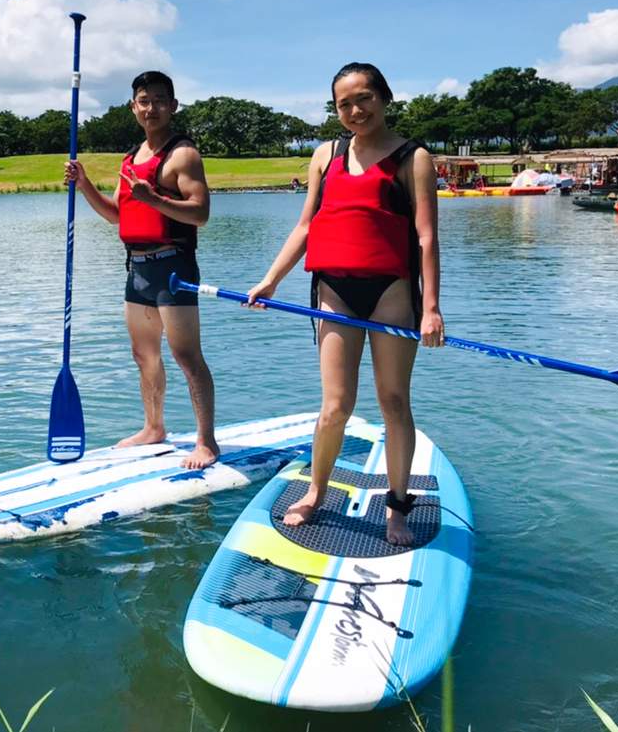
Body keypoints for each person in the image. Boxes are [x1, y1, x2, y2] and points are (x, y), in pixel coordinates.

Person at [246, 63, 443, 546]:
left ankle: (398, 506)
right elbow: (307, 225)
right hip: (334, 289)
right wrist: (271, 280)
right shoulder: (325, 155)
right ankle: (316, 491)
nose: (355, 111)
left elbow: (425, 236)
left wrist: (432, 307)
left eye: (364, 99)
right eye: (344, 104)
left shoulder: (412, 158)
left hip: (391, 291)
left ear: (384, 98)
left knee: (394, 401)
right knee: (335, 405)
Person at [63, 71, 220, 469]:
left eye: (159, 101)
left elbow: (200, 213)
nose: (151, 108)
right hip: (137, 269)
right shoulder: (131, 160)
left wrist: (153, 198)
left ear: (173, 105)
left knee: (186, 355)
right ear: (134, 107)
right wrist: (84, 185)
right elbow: (117, 215)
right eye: (143, 101)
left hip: (173, 267)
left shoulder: (183, 154)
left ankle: (206, 441)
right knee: (143, 354)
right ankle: (154, 428)